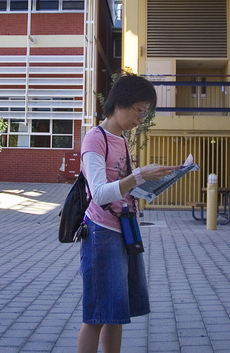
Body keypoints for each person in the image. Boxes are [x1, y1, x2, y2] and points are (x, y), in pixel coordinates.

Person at [77, 74, 176, 353]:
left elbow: (124, 186)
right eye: (139, 110)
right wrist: (137, 175)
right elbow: (99, 193)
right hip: (101, 234)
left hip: (124, 231)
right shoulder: (95, 139)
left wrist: (154, 180)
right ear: (120, 103)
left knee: (116, 314)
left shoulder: (121, 140)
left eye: (145, 113)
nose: (141, 118)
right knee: (97, 315)